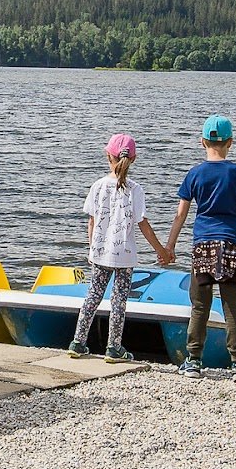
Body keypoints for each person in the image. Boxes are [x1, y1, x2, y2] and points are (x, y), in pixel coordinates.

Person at [164, 115, 236, 381]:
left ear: (202, 141)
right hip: (232, 244)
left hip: (203, 245)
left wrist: (170, 245)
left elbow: (180, 215)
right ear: (230, 142)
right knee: (232, 307)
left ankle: (193, 360)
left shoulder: (194, 174)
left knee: (199, 306)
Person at [67, 133, 170, 361]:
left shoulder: (98, 186)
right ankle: (114, 347)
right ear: (133, 159)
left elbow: (92, 221)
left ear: (108, 156)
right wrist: (161, 250)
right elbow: (143, 224)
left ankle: (77, 342)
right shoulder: (135, 189)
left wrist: (91, 249)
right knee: (119, 301)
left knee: (92, 296)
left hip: (100, 252)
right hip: (124, 254)